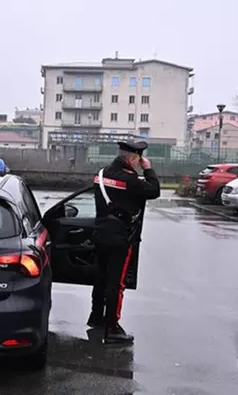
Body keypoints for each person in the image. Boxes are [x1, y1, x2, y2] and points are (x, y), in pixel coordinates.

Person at [88, 140, 161, 344]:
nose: (139, 163)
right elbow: (154, 190)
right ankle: (113, 327)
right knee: (116, 283)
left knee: (100, 277)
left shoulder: (101, 174)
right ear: (133, 158)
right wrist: (149, 170)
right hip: (120, 236)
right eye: (138, 160)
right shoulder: (131, 180)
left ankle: (96, 316)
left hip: (100, 233)